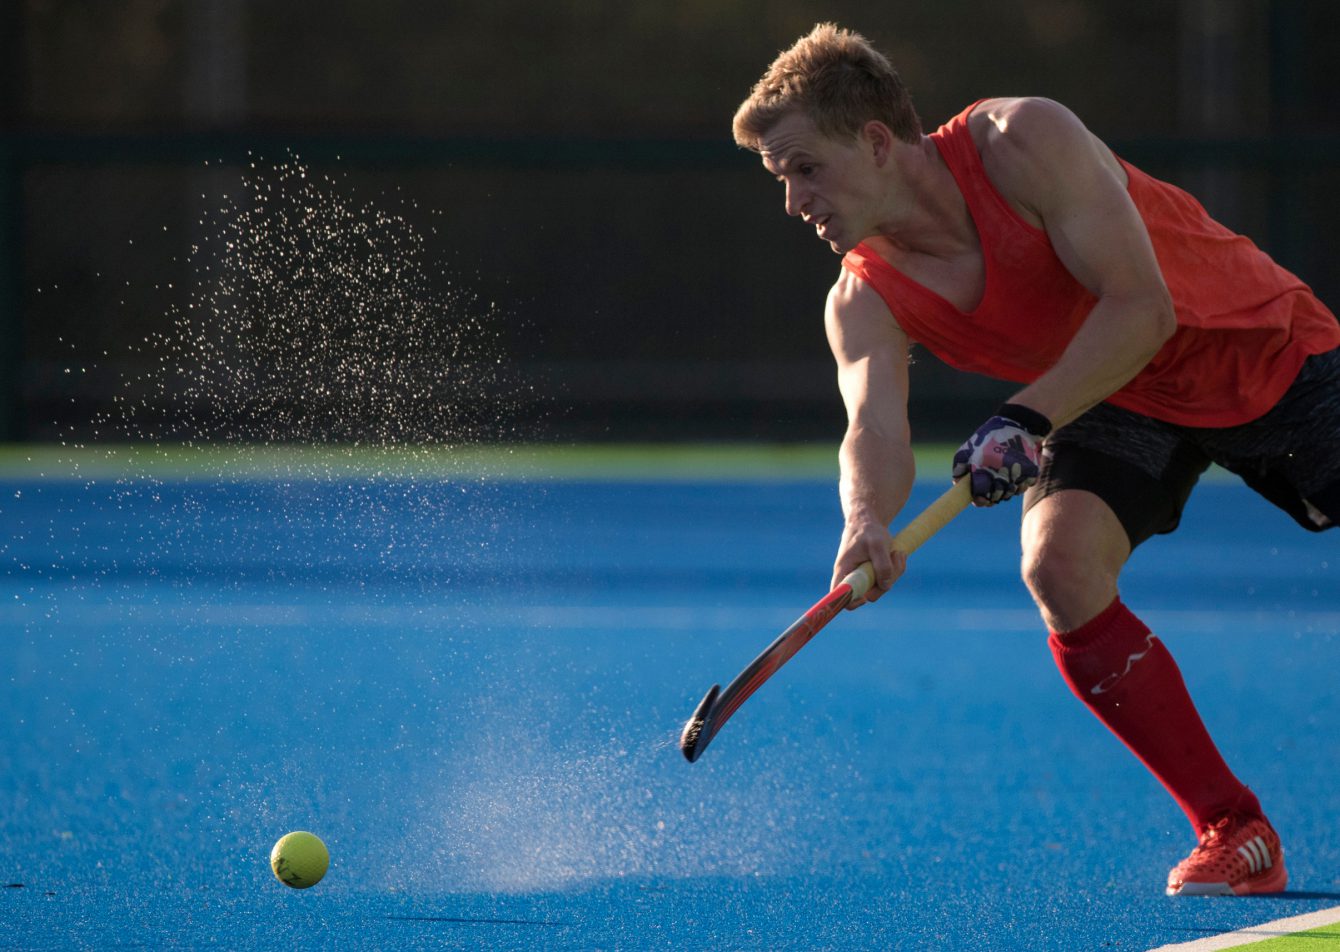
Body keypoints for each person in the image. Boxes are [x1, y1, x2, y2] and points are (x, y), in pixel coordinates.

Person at [733, 22, 1340, 896]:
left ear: (873, 142)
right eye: (782, 179)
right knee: (1059, 567)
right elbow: (872, 428)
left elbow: (1142, 311)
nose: (795, 202)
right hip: (1107, 401)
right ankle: (1234, 827)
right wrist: (866, 520)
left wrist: (1023, 415)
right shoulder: (861, 297)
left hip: (1254, 351)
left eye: (804, 169)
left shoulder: (1022, 140)